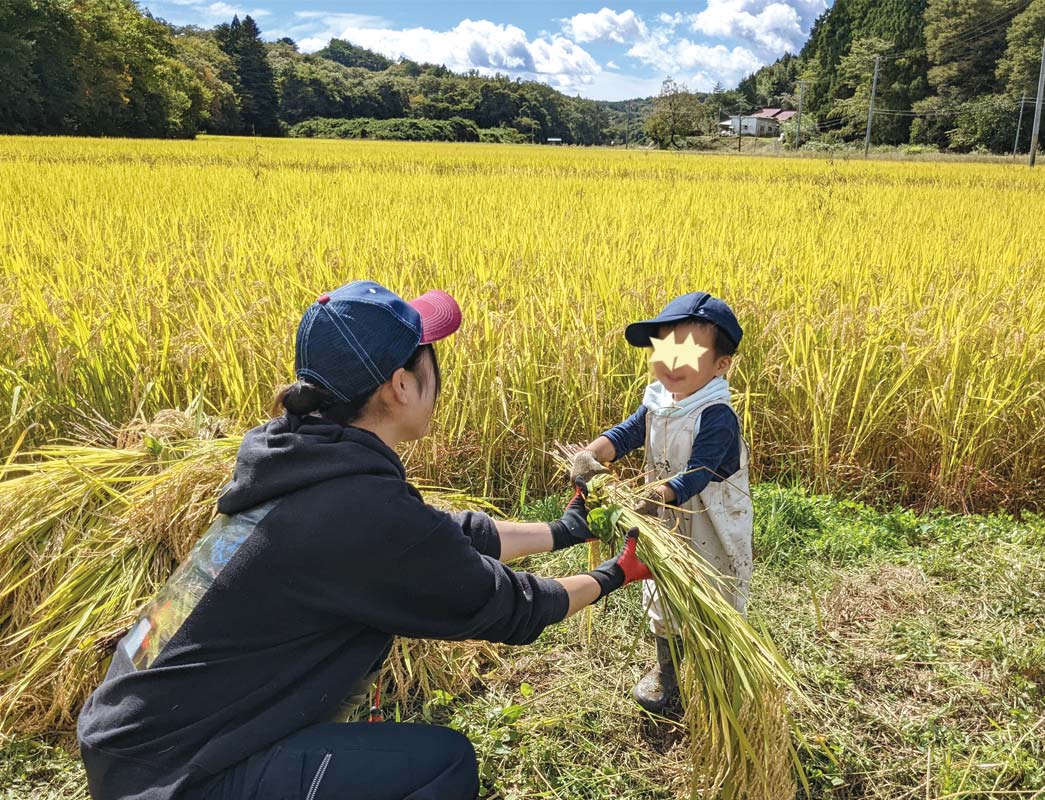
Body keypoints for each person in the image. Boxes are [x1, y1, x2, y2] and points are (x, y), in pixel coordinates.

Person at [77, 280, 651, 800]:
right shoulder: (354, 508)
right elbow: (507, 606)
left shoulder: (301, 459)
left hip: (139, 737)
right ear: (400, 385)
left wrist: (564, 531)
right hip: (172, 777)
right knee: (441, 767)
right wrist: (615, 576)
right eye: (428, 356)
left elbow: (437, 536)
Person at [571, 291, 753, 714]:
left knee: (715, 594)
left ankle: (720, 672)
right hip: (665, 521)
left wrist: (651, 496)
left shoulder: (716, 415)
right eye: (665, 352)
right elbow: (625, 435)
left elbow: (697, 474)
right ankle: (668, 673)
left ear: (720, 366)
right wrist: (591, 454)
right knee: (662, 591)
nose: (670, 365)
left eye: (685, 356)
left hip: (711, 522)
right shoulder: (658, 401)